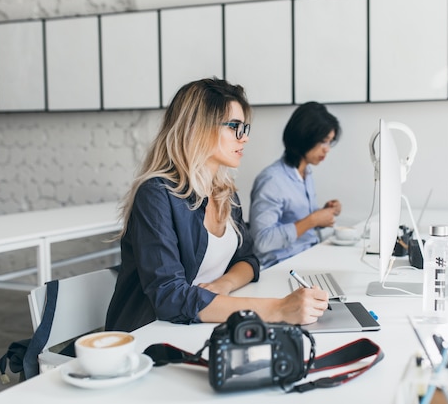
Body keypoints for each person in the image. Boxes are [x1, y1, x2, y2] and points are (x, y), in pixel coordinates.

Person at [105, 79, 329, 332]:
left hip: (198, 326)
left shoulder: (224, 192)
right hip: (149, 334)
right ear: (197, 127)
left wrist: (224, 284)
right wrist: (277, 309)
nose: (243, 138)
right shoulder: (156, 195)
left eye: (245, 128)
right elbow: (169, 297)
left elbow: (248, 260)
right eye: (234, 126)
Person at [249, 102, 342, 269]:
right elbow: (262, 241)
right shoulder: (272, 180)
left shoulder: (305, 173)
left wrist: (321, 215)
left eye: (329, 142)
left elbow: (294, 220)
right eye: (323, 141)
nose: (327, 149)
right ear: (304, 136)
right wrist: (312, 220)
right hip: (281, 266)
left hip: (307, 256)